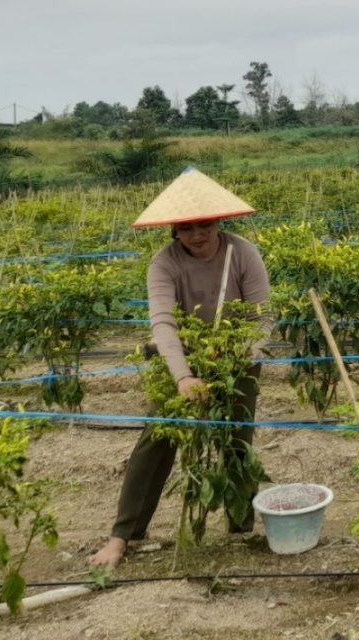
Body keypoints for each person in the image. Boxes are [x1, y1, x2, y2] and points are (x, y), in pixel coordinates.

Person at [90, 168, 273, 567]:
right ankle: (125, 535)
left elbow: (261, 319)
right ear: (174, 229)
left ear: (218, 221)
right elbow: (163, 324)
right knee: (157, 438)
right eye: (186, 227)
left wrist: (234, 357)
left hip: (237, 358)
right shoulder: (164, 263)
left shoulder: (243, 253)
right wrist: (183, 376)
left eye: (204, 224)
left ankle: (241, 529)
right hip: (180, 358)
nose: (197, 234)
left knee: (236, 439)